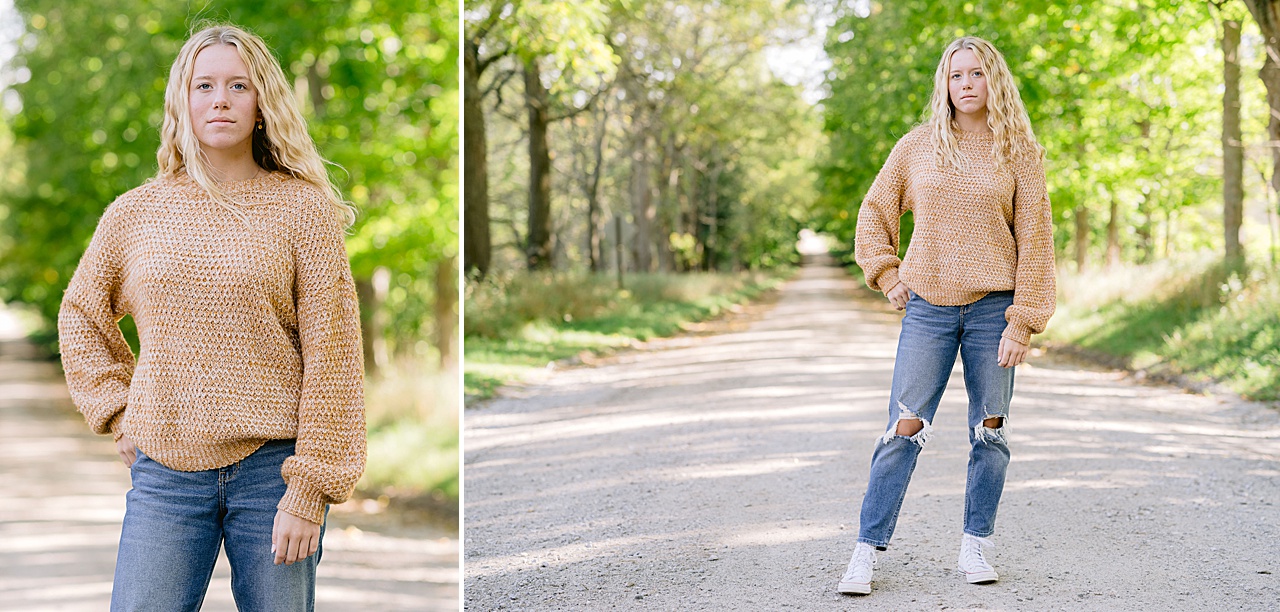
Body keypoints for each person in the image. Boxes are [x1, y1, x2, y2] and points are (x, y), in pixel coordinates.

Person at [57, 23, 365, 611]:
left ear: (261, 104)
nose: (219, 99)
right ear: (182, 101)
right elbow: (81, 315)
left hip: (275, 475)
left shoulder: (302, 210)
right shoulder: (137, 212)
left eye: (238, 85)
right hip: (166, 477)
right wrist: (120, 412)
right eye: (204, 85)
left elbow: (335, 356)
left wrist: (311, 488)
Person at [837, 36, 1055, 595]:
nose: (966, 84)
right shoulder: (917, 147)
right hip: (928, 310)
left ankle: (975, 546)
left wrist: (1022, 321)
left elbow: (1035, 239)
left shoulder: (1019, 153)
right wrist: (887, 274)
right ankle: (865, 552)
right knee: (902, 429)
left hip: (993, 311)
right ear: (945, 84)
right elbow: (875, 211)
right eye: (956, 75)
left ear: (994, 81)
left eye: (976, 74)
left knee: (990, 432)